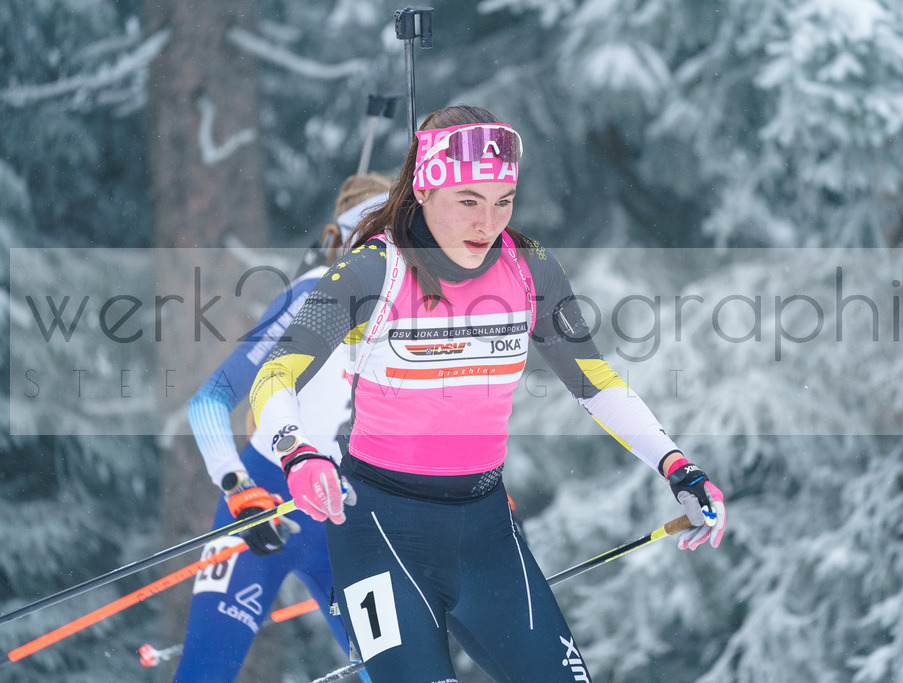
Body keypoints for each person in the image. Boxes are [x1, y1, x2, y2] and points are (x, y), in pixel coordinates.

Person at [249, 105, 727, 681]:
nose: (488, 223)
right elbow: (274, 375)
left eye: (503, 201)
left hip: (486, 532)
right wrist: (296, 453)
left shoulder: (529, 271)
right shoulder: (374, 272)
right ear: (424, 190)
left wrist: (678, 466)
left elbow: (595, 383)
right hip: (380, 530)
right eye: (469, 201)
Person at [172, 173, 390, 682]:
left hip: (346, 520)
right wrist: (237, 486)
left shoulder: (406, 312)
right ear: (349, 237)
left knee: (395, 673)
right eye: (379, 235)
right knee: (204, 674)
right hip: (264, 503)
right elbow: (208, 402)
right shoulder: (312, 295)